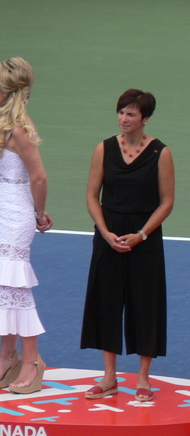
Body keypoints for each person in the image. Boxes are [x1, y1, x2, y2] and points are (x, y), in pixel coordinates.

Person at [80, 89, 175, 402]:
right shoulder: (103, 149)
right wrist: (105, 232)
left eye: (131, 114)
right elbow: (93, 195)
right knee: (107, 303)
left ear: (144, 119)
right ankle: (109, 378)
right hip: (108, 236)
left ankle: (143, 379)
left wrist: (142, 234)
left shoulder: (161, 153)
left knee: (145, 305)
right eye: (121, 112)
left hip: (144, 239)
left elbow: (166, 202)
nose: (124, 118)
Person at [0, 57, 52, 395]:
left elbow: (39, 176)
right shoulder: (5, 125)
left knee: (16, 288)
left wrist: (38, 213)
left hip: (17, 215)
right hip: (1, 209)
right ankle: (7, 357)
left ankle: (31, 362)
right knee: (2, 289)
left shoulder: (18, 130)